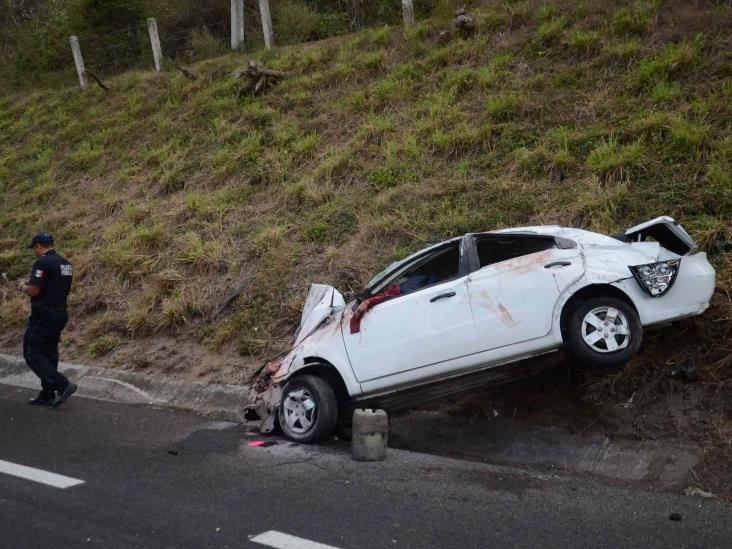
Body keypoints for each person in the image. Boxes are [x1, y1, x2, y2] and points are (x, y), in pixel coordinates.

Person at [18, 232, 77, 407]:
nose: (34, 252)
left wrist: (23, 287)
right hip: (60, 313)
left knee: (32, 352)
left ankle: (62, 384)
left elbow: (34, 290)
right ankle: (47, 394)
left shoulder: (42, 262)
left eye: (34, 248)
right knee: (49, 352)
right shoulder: (65, 263)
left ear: (38, 246)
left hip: (44, 314)